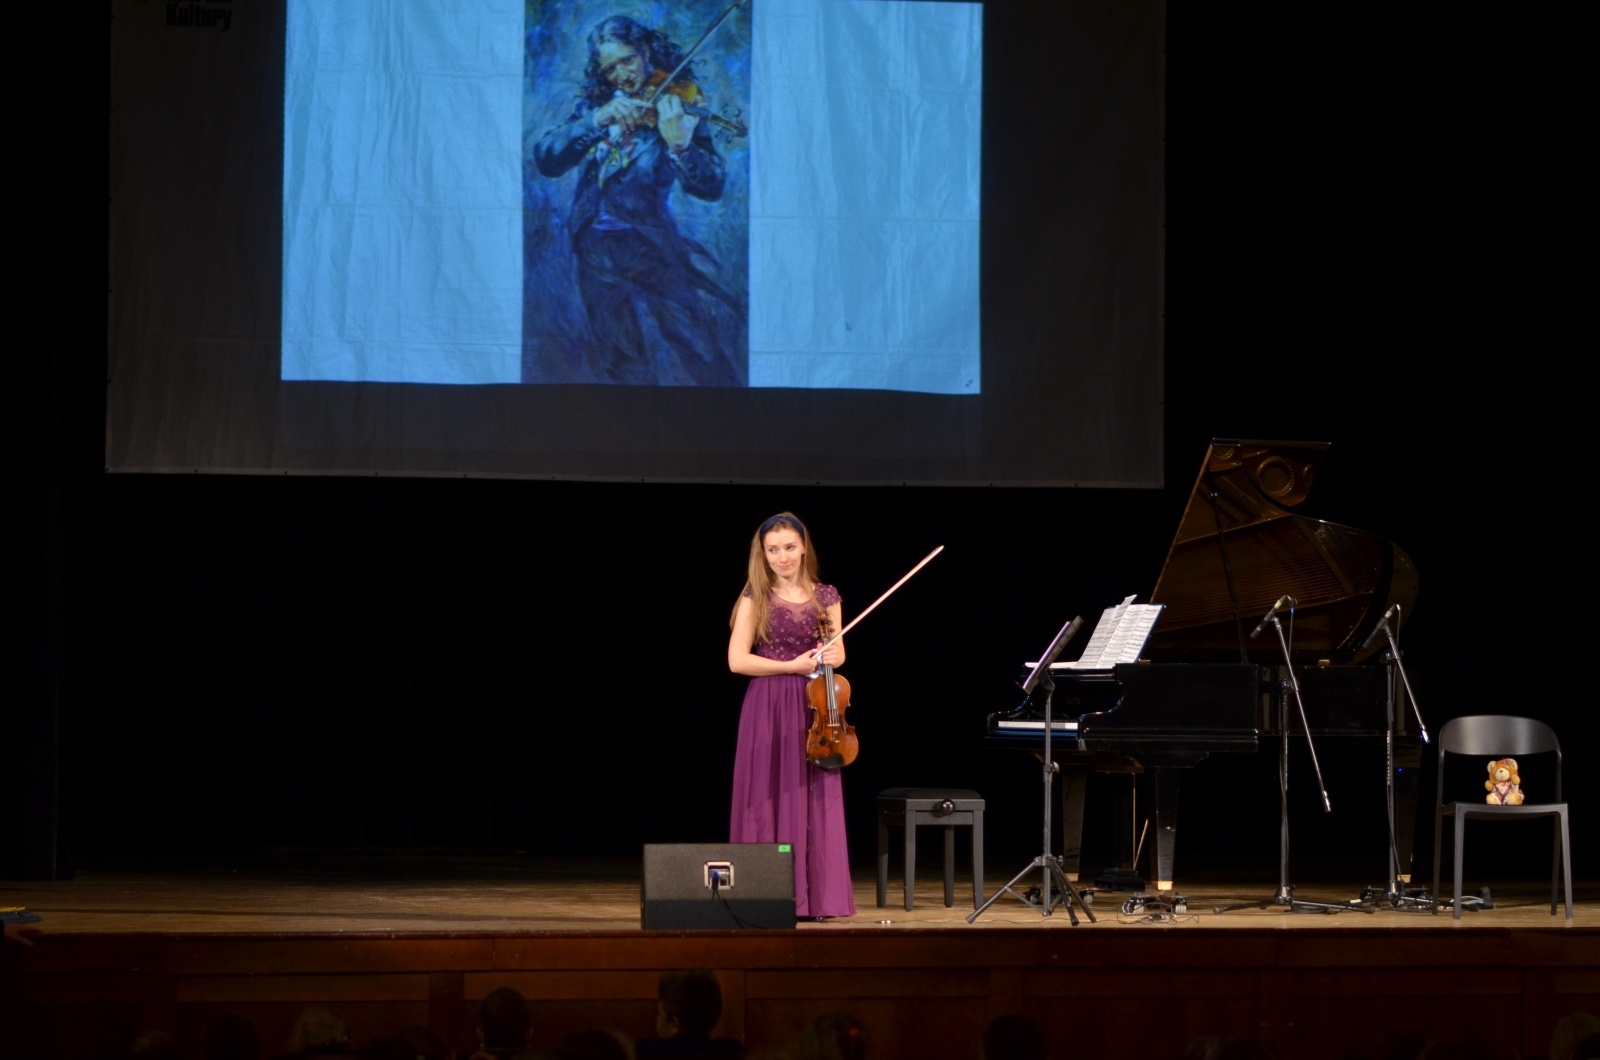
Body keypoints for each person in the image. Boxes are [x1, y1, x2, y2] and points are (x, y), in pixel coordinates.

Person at [533, 15, 745, 388]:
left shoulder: (678, 103)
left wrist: (680, 145)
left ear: (645, 51)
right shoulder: (594, 108)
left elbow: (711, 186)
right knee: (620, 358)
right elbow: (547, 158)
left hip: (650, 247)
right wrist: (596, 120)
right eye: (610, 68)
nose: (622, 75)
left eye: (627, 60)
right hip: (593, 250)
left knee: (698, 348)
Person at [727, 513, 855, 920]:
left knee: (815, 796)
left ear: (803, 548)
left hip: (815, 707)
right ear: (762, 555)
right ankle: (765, 894)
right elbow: (736, 661)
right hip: (768, 705)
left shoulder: (828, 597)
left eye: (788, 547)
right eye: (772, 550)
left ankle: (818, 899)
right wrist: (790, 667)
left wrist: (834, 654)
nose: (782, 557)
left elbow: (838, 651)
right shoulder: (755, 596)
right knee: (765, 797)